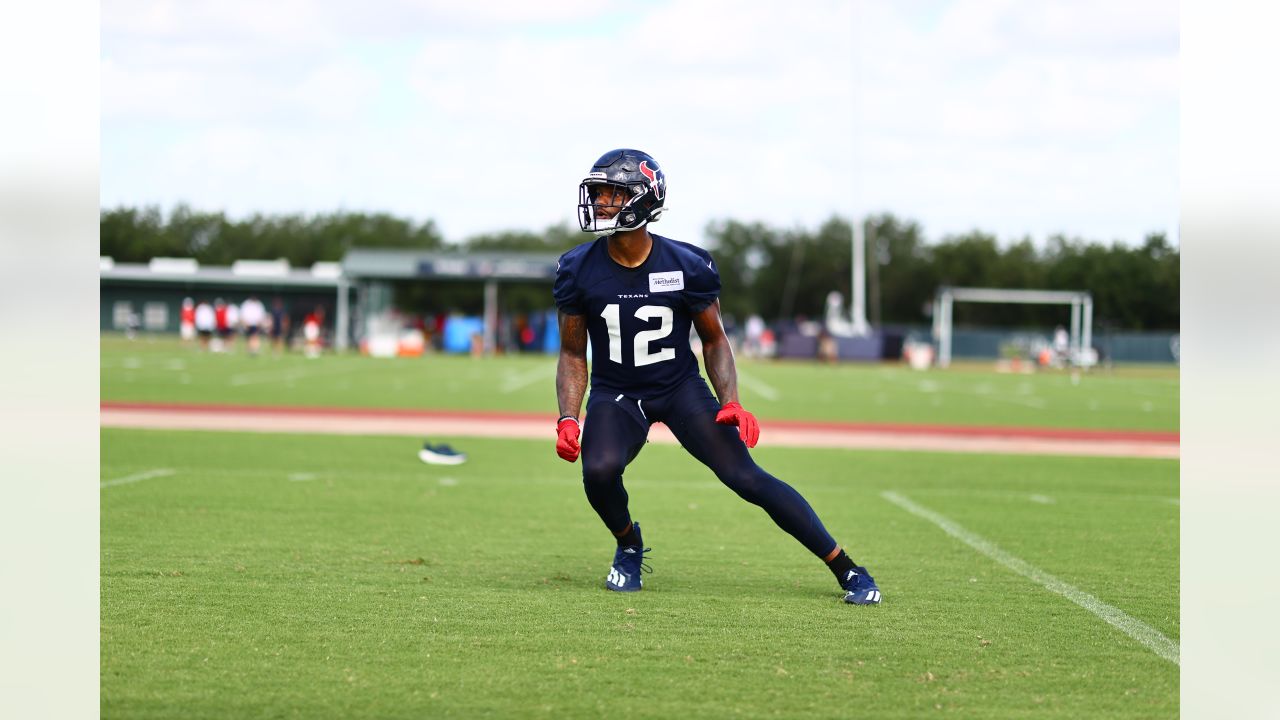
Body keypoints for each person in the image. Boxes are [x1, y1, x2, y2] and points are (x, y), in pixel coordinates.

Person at [553, 149, 881, 605]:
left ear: (645, 199)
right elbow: (572, 351)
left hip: (679, 387)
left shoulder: (687, 264)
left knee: (746, 478)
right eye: (600, 192)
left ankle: (847, 567)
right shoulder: (577, 268)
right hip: (618, 392)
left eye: (614, 192)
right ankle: (629, 544)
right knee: (599, 472)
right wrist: (568, 417)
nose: (603, 202)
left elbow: (715, 340)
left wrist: (731, 400)